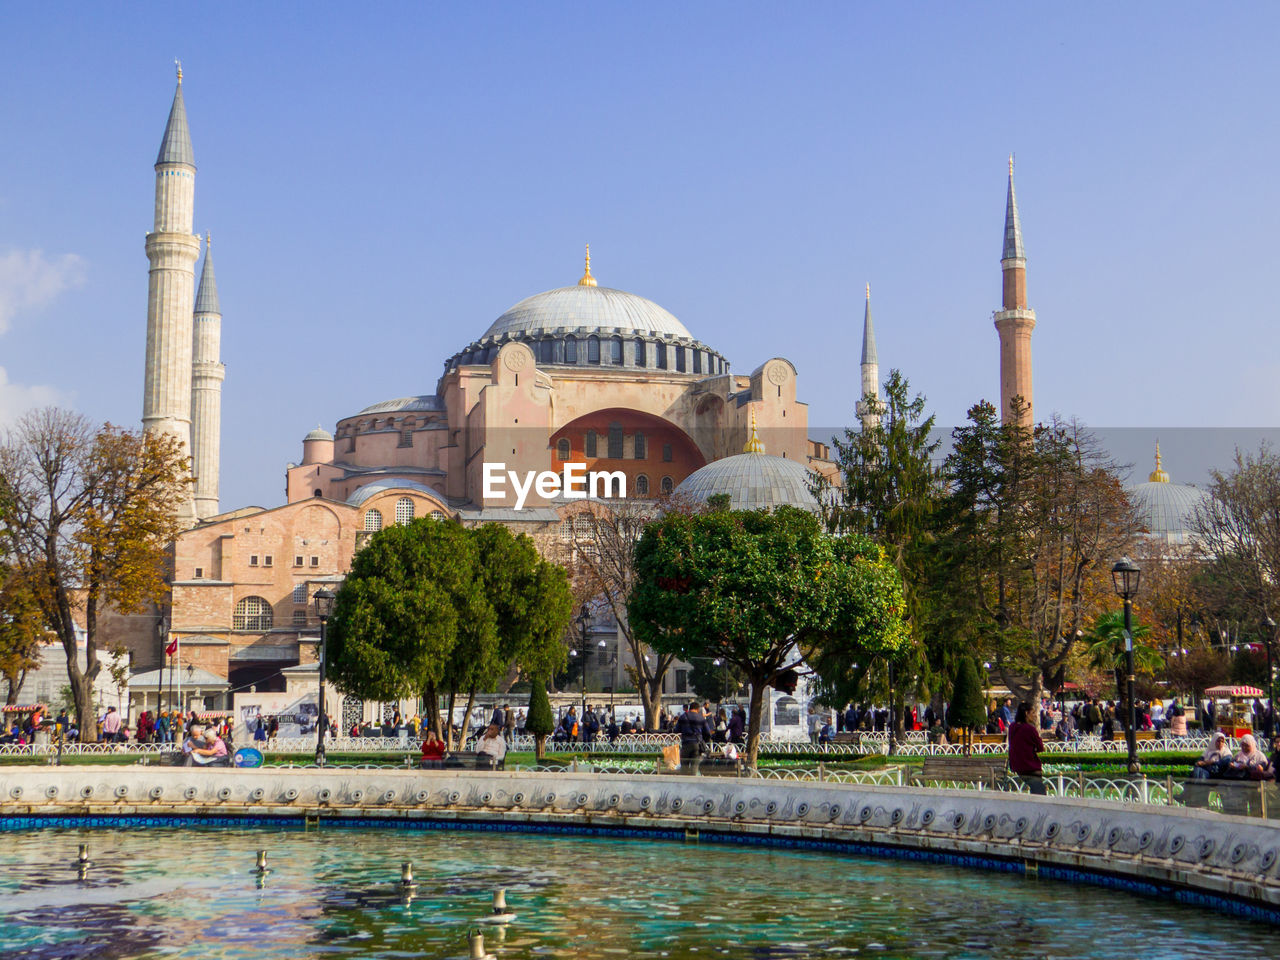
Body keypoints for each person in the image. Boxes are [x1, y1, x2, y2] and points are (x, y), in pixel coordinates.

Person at [1007, 702, 1046, 794]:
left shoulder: (1012, 727)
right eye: (1032, 713)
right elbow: (1040, 747)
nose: (1035, 716)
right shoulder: (1030, 729)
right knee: (1040, 793)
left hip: (1017, 767)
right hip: (1030, 767)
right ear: (1026, 713)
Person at [674, 701, 710, 774]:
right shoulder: (701, 718)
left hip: (686, 743)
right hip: (697, 744)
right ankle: (693, 780)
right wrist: (703, 740)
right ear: (697, 709)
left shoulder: (682, 717)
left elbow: (676, 730)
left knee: (684, 766)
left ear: (690, 708)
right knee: (694, 766)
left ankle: (684, 782)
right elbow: (708, 733)